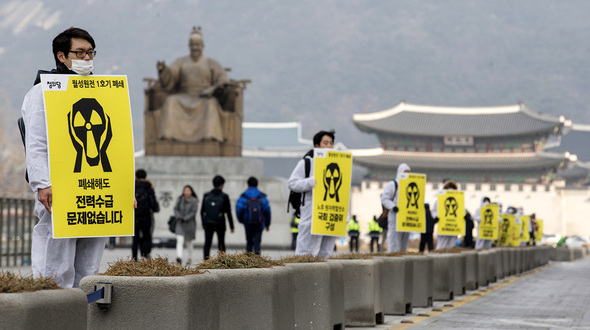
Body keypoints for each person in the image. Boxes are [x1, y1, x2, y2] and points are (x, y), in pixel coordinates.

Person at [22, 27, 108, 288]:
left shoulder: (103, 91)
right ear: (61, 56)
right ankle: (51, 309)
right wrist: (42, 183)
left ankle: (84, 314)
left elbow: (117, 144)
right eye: (79, 53)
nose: (86, 58)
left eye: (90, 53)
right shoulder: (41, 93)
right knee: (56, 258)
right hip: (59, 187)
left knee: (90, 263)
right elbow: (36, 142)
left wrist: (122, 188)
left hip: (95, 189)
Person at [157, 27, 229, 142]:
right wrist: (163, 71)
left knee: (211, 104)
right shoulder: (181, 62)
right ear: (189, 46)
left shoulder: (211, 63)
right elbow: (171, 76)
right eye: (192, 45)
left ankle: (209, 137)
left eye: (198, 45)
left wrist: (214, 88)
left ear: (202, 46)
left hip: (204, 97)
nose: (195, 48)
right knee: (171, 101)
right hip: (184, 95)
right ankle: (168, 136)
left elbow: (222, 78)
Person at [288, 130, 338, 258]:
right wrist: (309, 183)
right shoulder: (307, 163)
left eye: (331, 143)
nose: (329, 146)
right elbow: (292, 183)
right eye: (325, 143)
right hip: (310, 212)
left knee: (326, 251)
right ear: (317, 146)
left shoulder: (339, 164)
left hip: (330, 212)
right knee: (306, 249)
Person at [201, 175, 234, 259]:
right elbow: (228, 212)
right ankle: (222, 261)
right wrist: (231, 226)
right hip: (220, 223)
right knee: (221, 243)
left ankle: (206, 261)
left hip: (208, 223)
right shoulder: (224, 196)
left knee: (207, 243)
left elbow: (202, 211)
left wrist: (203, 223)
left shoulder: (206, 195)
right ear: (221, 185)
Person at [235, 176, 271, 255]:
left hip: (247, 222)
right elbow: (267, 211)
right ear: (257, 185)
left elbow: (239, 209)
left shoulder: (243, 196)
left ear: (247, 184)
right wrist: (267, 224)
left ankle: (248, 261)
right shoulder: (262, 196)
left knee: (249, 242)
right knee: (257, 243)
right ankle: (257, 261)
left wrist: (241, 220)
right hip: (259, 223)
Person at [381, 163, 411, 252]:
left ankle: (402, 254)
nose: (407, 174)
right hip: (395, 216)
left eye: (408, 172)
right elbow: (385, 199)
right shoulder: (392, 185)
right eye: (405, 172)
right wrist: (393, 207)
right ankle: (393, 254)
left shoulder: (410, 185)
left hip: (406, 217)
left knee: (405, 238)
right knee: (394, 237)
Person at [132, 169, 159, 261]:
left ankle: (134, 258)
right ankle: (144, 255)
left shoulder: (132, 186)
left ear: (136, 176)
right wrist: (154, 208)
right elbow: (153, 202)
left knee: (135, 238)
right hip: (146, 217)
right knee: (146, 236)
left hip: (134, 217)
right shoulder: (148, 187)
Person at [173, 185, 199, 265]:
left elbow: (193, 212)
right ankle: (179, 257)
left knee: (188, 242)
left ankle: (189, 257)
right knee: (179, 240)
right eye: (185, 190)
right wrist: (179, 217)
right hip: (180, 224)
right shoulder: (180, 199)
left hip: (189, 224)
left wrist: (185, 218)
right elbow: (175, 208)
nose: (186, 192)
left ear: (191, 192)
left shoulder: (194, 201)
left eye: (188, 191)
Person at [432, 180, 460, 250]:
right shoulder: (439, 200)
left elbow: (461, 211)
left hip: (454, 227)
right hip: (443, 226)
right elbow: (434, 210)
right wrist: (436, 217)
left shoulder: (458, 200)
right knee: (441, 245)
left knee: (451, 246)